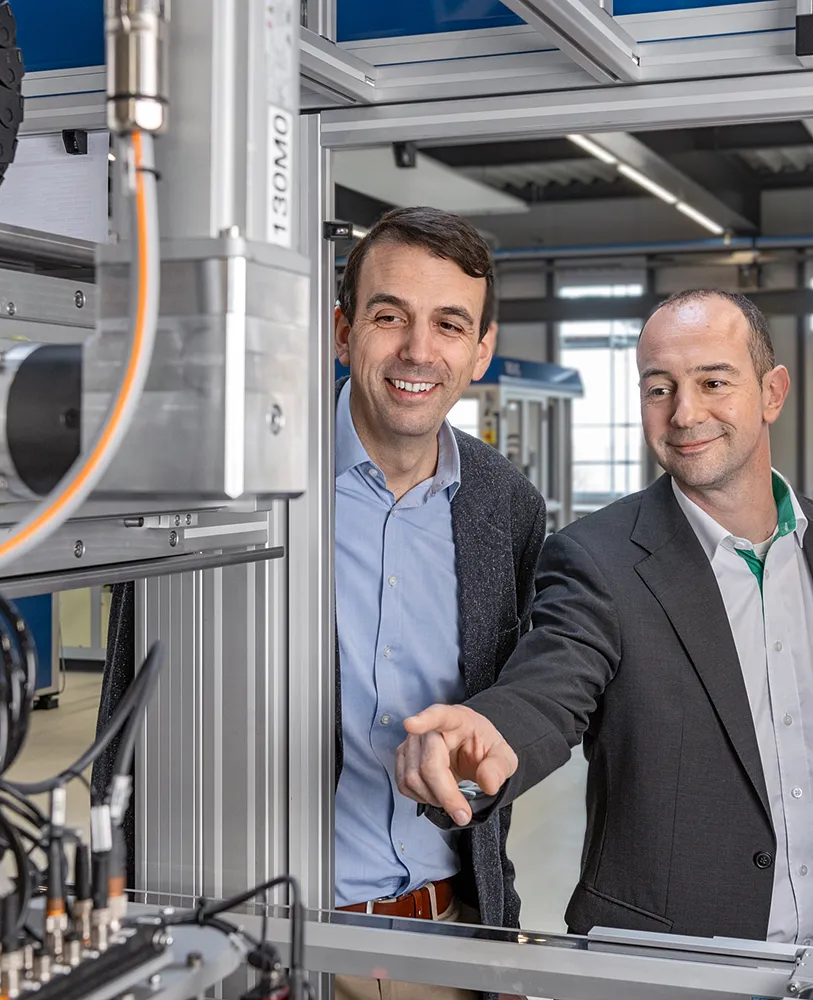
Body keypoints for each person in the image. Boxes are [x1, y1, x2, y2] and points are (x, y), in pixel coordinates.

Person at [393, 288, 813, 945]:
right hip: (666, 957)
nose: (685, 413)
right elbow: (547, 691)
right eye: (659, 388)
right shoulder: (599, 558)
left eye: (714, 381)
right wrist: (482, 736)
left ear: (772, 393)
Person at [330, 206, 548, 1000]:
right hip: (269, 933)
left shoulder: (506, 505)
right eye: (390, 316)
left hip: (449, 934)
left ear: (481, 350)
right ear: (342, 331)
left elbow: (515, 703)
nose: (419, 351)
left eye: (450, 324)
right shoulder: (254, 482)